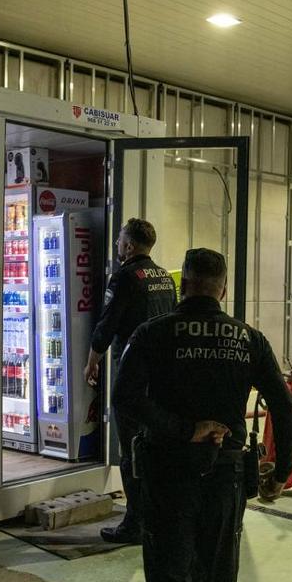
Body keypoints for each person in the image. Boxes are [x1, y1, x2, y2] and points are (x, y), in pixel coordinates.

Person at [112, 248, 292, 582]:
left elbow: (125, 398)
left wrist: (181, 430)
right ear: (224, 289)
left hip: (167, 476)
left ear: (183, 284)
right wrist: (281, 472)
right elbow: (283, 405)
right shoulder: (248, 339)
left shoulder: (153, 333)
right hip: (226, 477)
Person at [87, 218, 177, 545]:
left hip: (133, 377)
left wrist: (91, 361)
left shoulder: (124, 277)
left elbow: (107, 324)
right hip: (163, 379)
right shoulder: (165, 278)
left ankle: (134, 523)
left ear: (128, 246)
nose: (116, 245)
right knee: (154, 448)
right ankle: (157, 517)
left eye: (120, 240)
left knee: (131, 451)